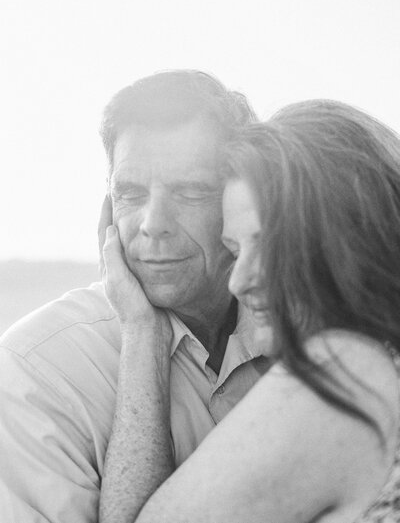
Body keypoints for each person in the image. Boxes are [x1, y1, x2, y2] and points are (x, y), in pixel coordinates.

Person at [99, 100, 400, 523]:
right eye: (235, 251)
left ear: (346, 235)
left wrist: (141, 331)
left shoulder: (344, 372)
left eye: (270, 246)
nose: (239, 282)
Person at [0, 70, 269, 522]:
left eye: (190, 191)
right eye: (130, 193)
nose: (152, 223)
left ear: (241, 200)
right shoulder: (35, 370)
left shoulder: (306, 329)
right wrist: (143, 332)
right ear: (107, 207)